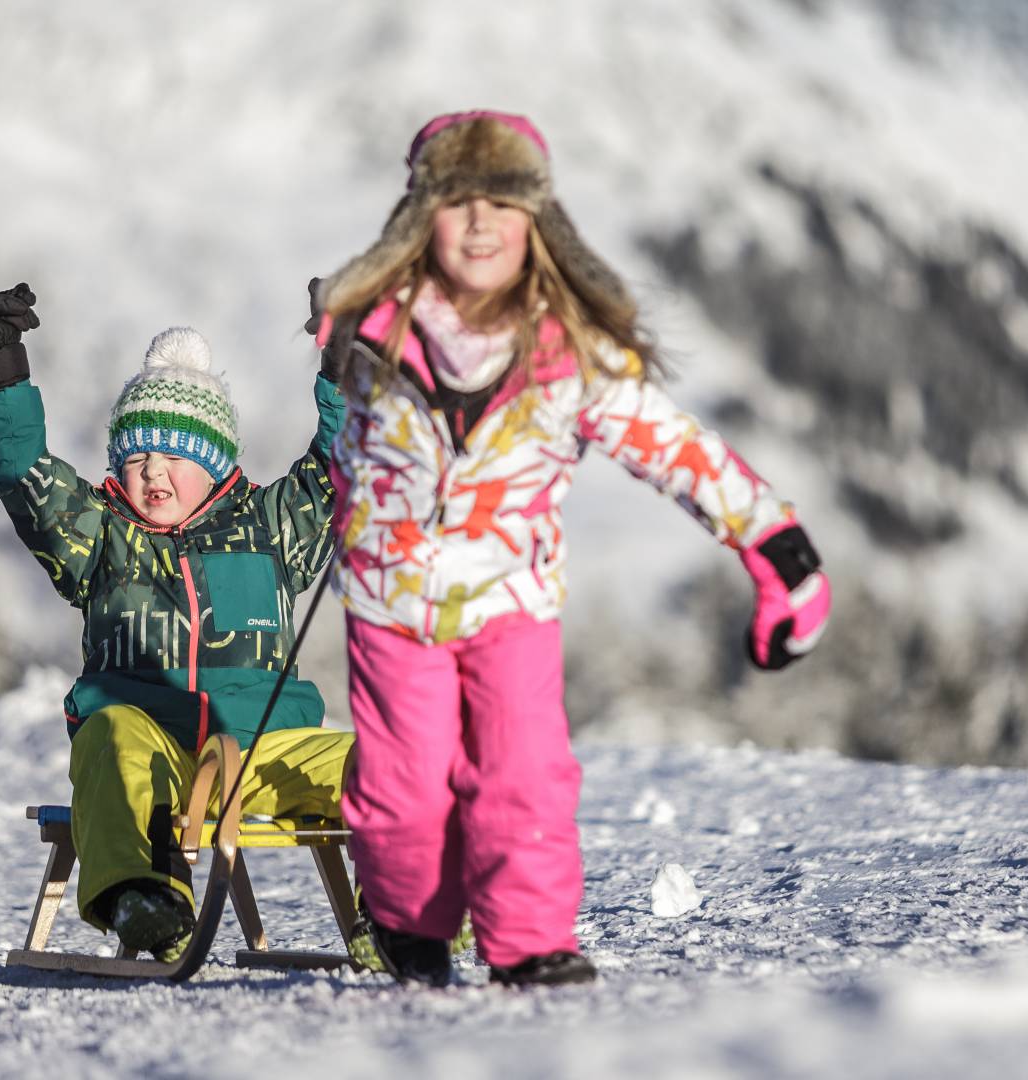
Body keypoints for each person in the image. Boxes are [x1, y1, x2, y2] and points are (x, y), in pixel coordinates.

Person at [310, 111, 833, 988]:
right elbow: (339, 452)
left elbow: (676, 449)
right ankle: (407, 921)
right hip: (393, 603)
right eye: (458, 201)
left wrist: (774, 545)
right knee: (403, 791)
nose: (481, 223)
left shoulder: (571, 355)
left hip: (512, 600)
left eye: (504, 204)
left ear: (539, 224)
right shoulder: (374, 337)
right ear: (419, 217)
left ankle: (529, 942)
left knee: (523, 772)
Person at [0, 284, 350, 961]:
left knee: (383, 762)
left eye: (174, 456)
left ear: (215, 463)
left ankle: (409, 909)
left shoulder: (271, 527)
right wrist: (1, 370)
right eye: (137, 458)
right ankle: (145, 900)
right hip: (153, 751)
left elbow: (341, 463)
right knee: (110, 735)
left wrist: (346, 353)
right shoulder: (100, 536)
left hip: (263, 747)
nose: (153, 473)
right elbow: (25, 474)